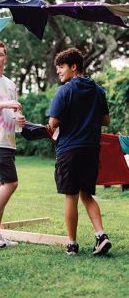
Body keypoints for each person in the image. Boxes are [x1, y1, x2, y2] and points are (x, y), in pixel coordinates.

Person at [48, 47, 112, 256]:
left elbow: (53, 122)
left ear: (73, 67)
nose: (58, 72)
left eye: (61, 67)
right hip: (92, 149)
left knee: (71, 196)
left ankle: (72, 244)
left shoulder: (65, 91)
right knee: (87, 194)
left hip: (69, 150)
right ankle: (101, 235)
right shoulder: (98, 90)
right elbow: (106, 120)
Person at [0, 40, 25, 248]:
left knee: (0, 185)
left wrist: (18, 120)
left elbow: (13, 113)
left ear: (5, 57)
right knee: (11, 183)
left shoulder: (10, 84)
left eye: (0, 54)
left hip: (8, 141)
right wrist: (6, 104)